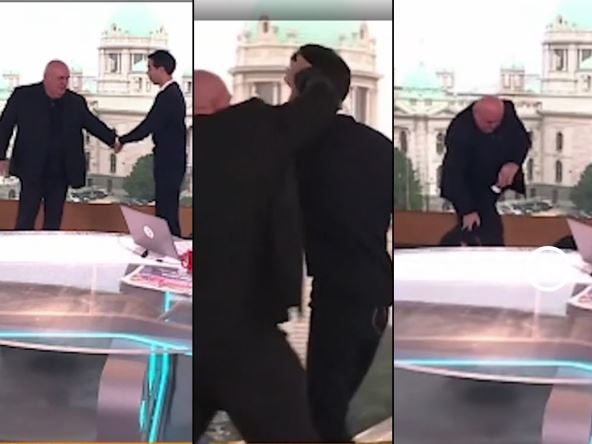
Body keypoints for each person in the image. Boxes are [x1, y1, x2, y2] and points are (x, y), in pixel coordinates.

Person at [194, 48, 340, 442]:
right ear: (217, 107)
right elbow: (320, 104)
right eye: (229, 102)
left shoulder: (195, 145)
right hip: (240, 328)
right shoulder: (244, 131)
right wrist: (304, 75)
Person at [289, 45, 393, 442]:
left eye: (294, 83)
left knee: (323, 414)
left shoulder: (306, 147)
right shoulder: (377, 146)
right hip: (371, 294)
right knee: (328, 409)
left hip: (341, 293)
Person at [0, 60, 118, 230]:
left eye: (66, 79)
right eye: (60, 78)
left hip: (60, 173)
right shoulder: (23, 96)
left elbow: (92, 124)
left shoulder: (75, 102)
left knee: (54, 220)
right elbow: (5, 126)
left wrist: (114, 140)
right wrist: (1, 156)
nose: (64, 83)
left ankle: (49, 246)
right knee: (26, 218)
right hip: (31, 170)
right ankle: (22, 246)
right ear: (47, 78)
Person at [440, 96, 531, 246]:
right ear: (476, 114)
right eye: (489, 122)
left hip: (495, 178)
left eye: (498, 122)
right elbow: (454, 175)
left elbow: (522, 141)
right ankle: (448, 247)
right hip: (469, 184)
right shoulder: (459, 131)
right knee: (480, 224)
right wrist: (467, 210)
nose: (494, 126)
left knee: (486, 224)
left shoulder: (507, 113)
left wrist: (514, 163)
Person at [117, 50, 187, 237]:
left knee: (167, 212)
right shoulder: (172, 94)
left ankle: (171, 249)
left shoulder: (168, 96)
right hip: (171, 161)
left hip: (169, 162)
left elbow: (148, 125)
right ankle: (169, 247)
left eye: (150, 68)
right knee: (166, 209)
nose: (147, 73)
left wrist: (122, 140)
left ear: (161, 69)